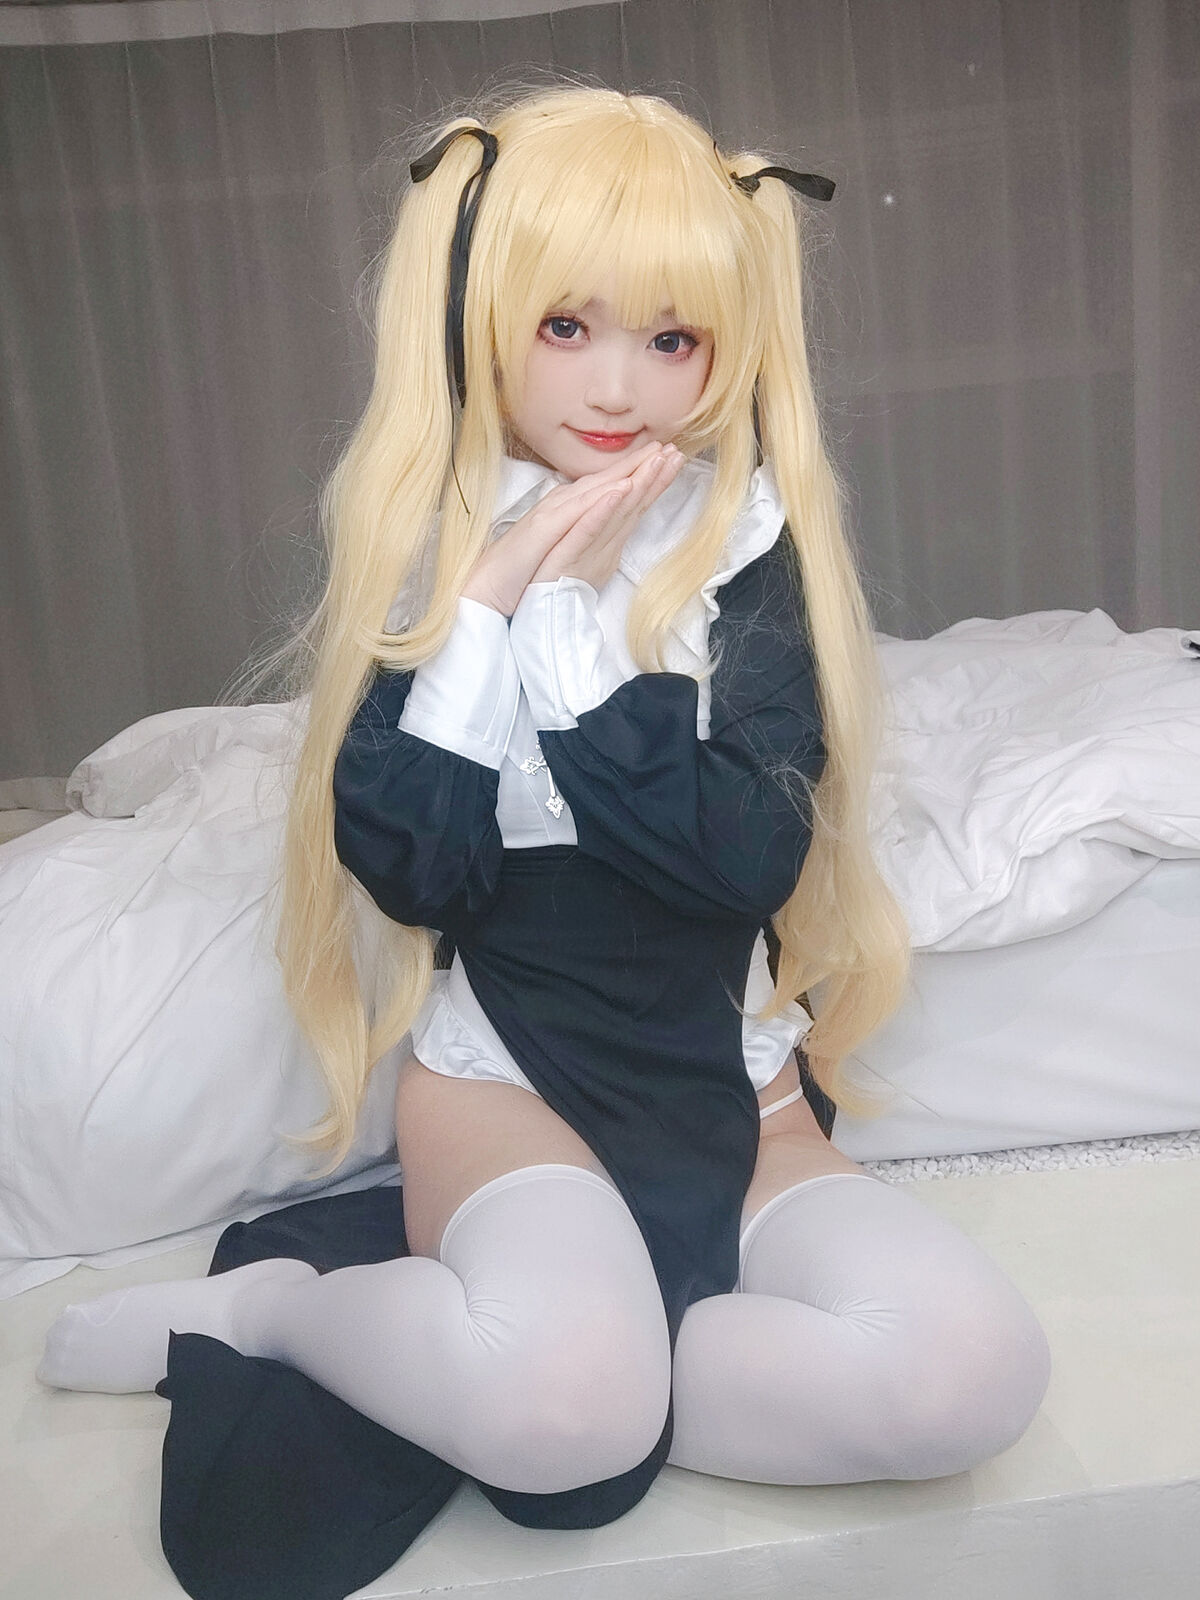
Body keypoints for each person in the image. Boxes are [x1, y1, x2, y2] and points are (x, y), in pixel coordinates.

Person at [38, 83, 1051, 1598]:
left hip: (735, 1089)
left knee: (971, 1378)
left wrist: (574, 625)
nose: (620, 387)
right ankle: (276, 1320)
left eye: (674, 338)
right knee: (559, 1408)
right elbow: (416, 870)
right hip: (507, 1082)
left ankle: (575, 1368)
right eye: (567, 326)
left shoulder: (750, 543)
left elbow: (742, 860)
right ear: (484, 319)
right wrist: (494, 600)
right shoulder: (433, 544)